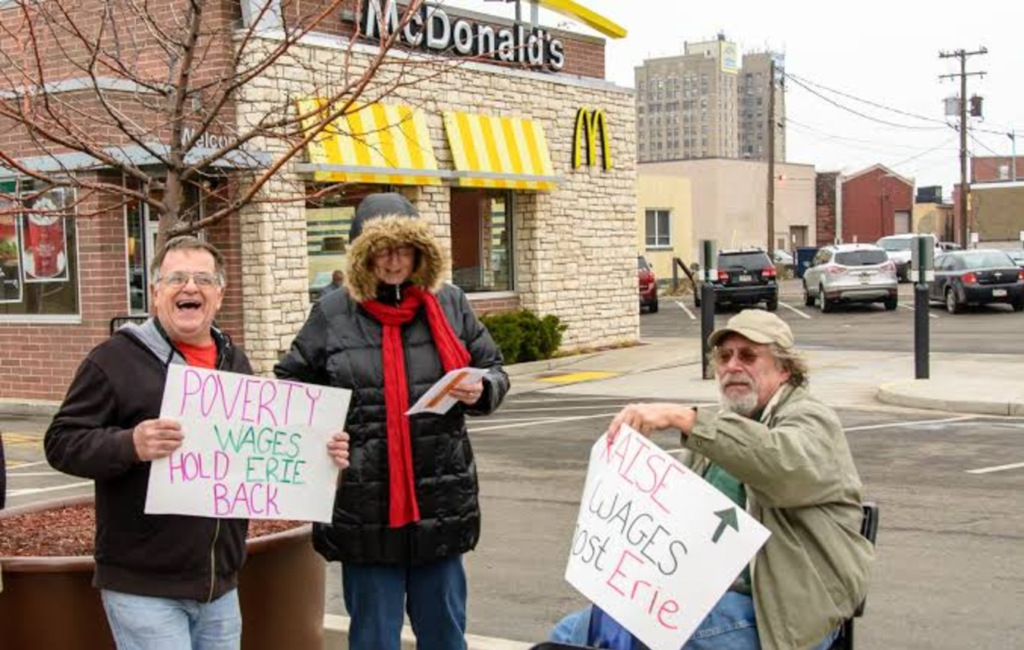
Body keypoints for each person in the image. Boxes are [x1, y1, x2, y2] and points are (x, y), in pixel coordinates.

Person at [44, 236, 350, 650]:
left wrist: (320, 458)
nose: (190, 287)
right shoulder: (113, 360)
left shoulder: (235, 363)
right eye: (177, 278)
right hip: (143, 586)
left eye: (203, 279)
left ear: (219, 294)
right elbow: (61, 442)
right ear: (156, 292)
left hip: (219, 586)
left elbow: (254, 451)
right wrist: (130, 443)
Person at [551, 309, 874, 650]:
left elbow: (782, 466)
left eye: (748, 355)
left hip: (783, 610)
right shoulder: (717, 431)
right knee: (570, 635)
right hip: (704, 596)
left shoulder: (809, 418)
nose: (733, 366)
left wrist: (683, 418)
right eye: (724, 356)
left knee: (642, 639)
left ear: (785, 369)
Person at [275, 192, 509, 650]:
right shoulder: (333, 312)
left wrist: (483, 389)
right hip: (364, 507)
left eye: (404, 248)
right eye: (381, 249)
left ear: (421, 251)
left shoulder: (450, 303)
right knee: (374, 640)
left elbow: (494, 369)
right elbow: (291, 385)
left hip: (439, 501)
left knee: (444, 635)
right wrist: (323, 436)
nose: (394, 260)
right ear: (362, 253)